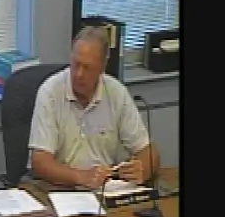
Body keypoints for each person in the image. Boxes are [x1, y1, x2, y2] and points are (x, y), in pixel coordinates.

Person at [28, 26, 160, 189]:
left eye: (87, 68)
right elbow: (40, 162)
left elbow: (149, 153)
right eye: (76, 65)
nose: (79, 74)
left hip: (104, 190)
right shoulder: (50, 92)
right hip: (59, 189)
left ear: (102, 67)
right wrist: (81, 177)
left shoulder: (116, 93)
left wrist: (143, 170)